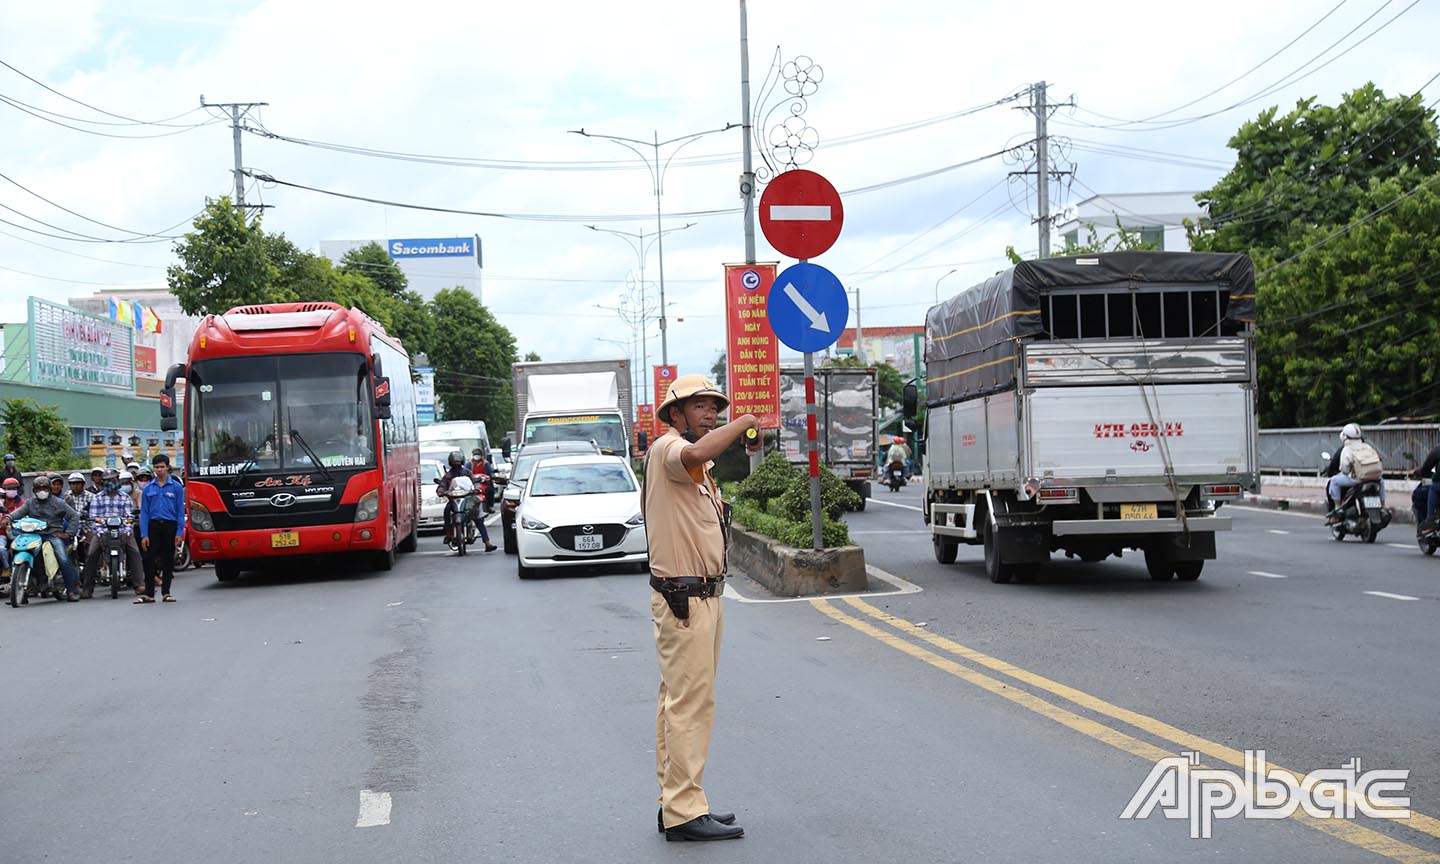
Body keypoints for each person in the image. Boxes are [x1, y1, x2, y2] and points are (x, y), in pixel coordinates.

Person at [645, 374, 759, 842]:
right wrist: (747, 421)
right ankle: (684, 811)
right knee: (690, 705)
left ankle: (676, 801)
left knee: (678, 702)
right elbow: (696, 452)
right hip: (684, 599)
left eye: (716, 408)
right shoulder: (668, 450)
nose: (711, 414)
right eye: (699, 407)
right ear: (675, 415)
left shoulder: (696, 470)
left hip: (702, 596)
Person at [3, 475, 82, 601]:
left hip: (52, 535)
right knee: (15, 550)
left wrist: (68, 534)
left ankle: (72, 590)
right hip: (33, 535)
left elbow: (74, 517)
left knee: (63, 558)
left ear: (49, 489)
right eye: (39, 489)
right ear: (34, 490)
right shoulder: (30, 503)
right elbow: (18, 512)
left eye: (44, 488)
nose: (42, 491)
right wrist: (8, 518)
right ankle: (24, 588)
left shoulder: (58, 503)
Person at [81, 469, 145, 598]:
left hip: (122, 531)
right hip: (103, 532)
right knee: (91, 554)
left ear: (117, 480)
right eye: (106, 480)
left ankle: (139, 584)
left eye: (112, 480)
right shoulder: (97, 498)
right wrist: (99, 532)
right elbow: (94, 518)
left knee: (135, 552)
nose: (109, 482)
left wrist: (127, 530)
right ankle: (87, 588)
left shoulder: (125, 498)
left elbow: (129, 518)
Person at [137, 454, 185, 603]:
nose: (159, 470)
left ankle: (166, 592)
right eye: (156, 467)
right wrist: (144, 534)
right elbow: (144, 512)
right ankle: (149, 593)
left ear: (168, 467)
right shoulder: (148, 488)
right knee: (149, 559)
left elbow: (180, 511)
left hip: (169, 526)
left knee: (168, 560)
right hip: (153, 525)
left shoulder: (176, 487)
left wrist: (179, 532)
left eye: (162, 467)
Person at [1326, 423, 1386, 522]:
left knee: (1334, 481)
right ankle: (1383, 506)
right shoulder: (1367, 446)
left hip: (1357, 479)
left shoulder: (1347, 449)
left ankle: (1337, 507)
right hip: (1375, 477)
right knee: (1382, 482)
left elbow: (1345, 469)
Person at [438, 450, 496, 552]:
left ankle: (487, 542)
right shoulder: (448, 475)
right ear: (451, 463)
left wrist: (476, 488)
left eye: (458, 462)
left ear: (462, 462)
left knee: (478, 517)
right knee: (447, 511)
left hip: (468, 499)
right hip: (454, 500)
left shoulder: (467, 472)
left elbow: (473, 481)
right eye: (454, 463)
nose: (456, 465)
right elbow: (442, 485)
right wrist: (441, 491)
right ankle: (448, 533)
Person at [1411, 443, 1440, 530]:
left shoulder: (1438, 450)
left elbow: (1425, 469)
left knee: (1433, 488)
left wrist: (1418, 472)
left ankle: (1430, 519)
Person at [64, 472, 94, 550]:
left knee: (93, 547)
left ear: (83, 484)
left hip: (87, 526)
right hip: (71, 526)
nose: (76, 486)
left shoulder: (91, 497)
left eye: (78, 483)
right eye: (73, 483)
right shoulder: (66, 497)